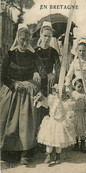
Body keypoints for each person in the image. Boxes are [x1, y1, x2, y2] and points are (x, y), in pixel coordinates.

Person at [0, 24, 41, 165]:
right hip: (12, 90)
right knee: (8, 120)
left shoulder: (32, 55)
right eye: (22, 39)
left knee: (25, 123)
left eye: (27, 40)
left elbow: (39, 69)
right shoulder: (10, 55)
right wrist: (13, 84)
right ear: (17, 38)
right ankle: (7, 152)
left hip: (26, 92)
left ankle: (25, 153)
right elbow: (2, 75)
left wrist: (36, 72)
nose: (24, 42)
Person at [36, 85, 76, 164]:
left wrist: (68, 118)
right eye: (57, 92)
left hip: (60, 123)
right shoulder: (51, 99)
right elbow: (45, 103)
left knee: (59, 141)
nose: (60, 94)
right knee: (49, 141)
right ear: (54, 92)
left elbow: (67, 112)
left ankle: (58, 156)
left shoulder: (66, 102)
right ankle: (49, 155)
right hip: (52, 122)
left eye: (63, 92)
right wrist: (41, 99)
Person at [35, 21, 61, 124]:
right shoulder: (35, 51)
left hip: (49, 81)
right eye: (45, 36)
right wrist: (34, 73)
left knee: (49, 107)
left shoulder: (53, 52)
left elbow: (58, 67)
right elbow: (30, 66)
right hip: (37, 79)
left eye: (49, 37)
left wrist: (57, 81)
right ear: (41, 35)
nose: (47, 39)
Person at [71, 78, 86, 153]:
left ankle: (83, 145)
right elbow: (70, 103)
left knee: (82, 130)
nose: (80, 88)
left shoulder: (84, 95)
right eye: (78, 86)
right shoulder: (73, 94)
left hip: (82, 115)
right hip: (75, 114)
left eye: (82, 86)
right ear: (74, 86)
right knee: (76, 130)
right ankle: (76, 144)